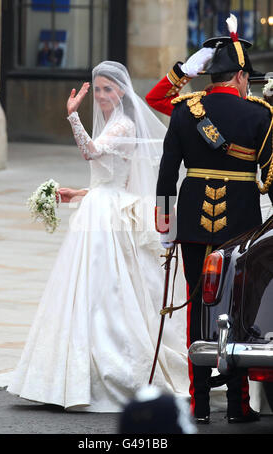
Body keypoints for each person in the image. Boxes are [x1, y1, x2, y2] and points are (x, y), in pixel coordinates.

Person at [7, 61, 190, 411]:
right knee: (85, 292)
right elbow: (107, 178)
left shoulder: (123, 124)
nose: (103, 95)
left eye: (108, 89)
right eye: (99, 89)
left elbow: (91, 152)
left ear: (121, 92)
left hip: (109, 218)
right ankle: (71, 371)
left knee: (108, 292)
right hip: (100, 207)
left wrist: (72, 115)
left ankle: (108, 368)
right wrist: (77, 192)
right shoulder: (110, 124)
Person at [154, 14, 273, 424]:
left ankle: (199, 404)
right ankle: (239, 407)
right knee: (239, 307)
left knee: (196, 307)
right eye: (247, 78)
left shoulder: (185, 110)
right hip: (240, 223)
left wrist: (166, 223)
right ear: (239, 77)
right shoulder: (260, 114)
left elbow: (167, 173)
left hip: (191, 223)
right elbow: (271, 177)